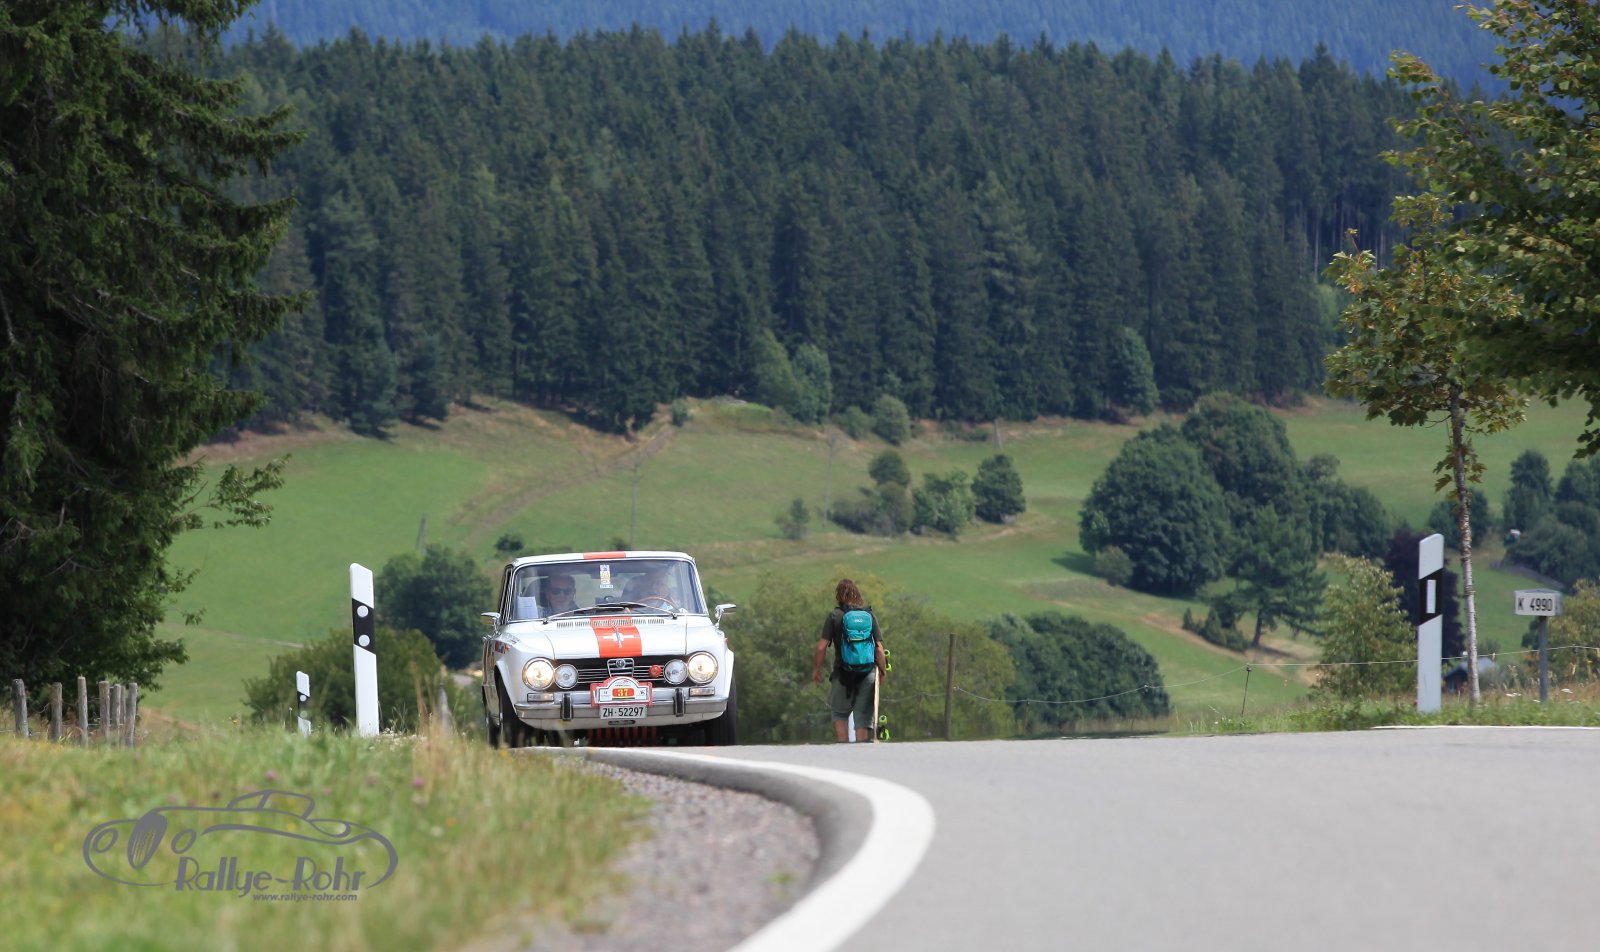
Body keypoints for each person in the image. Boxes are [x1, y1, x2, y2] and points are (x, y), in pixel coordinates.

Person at [811, 578, 885, 743]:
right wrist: (883, 671)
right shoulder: (869, 615)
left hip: (842, 673)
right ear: (857, 594)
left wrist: (816, 669)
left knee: (839, 714)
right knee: (862, 719)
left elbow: (821, 647)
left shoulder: (835, 616)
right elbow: (879, 649)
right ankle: (861, 752)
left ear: (838, 595)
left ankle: (843, 749)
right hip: (867, 673)